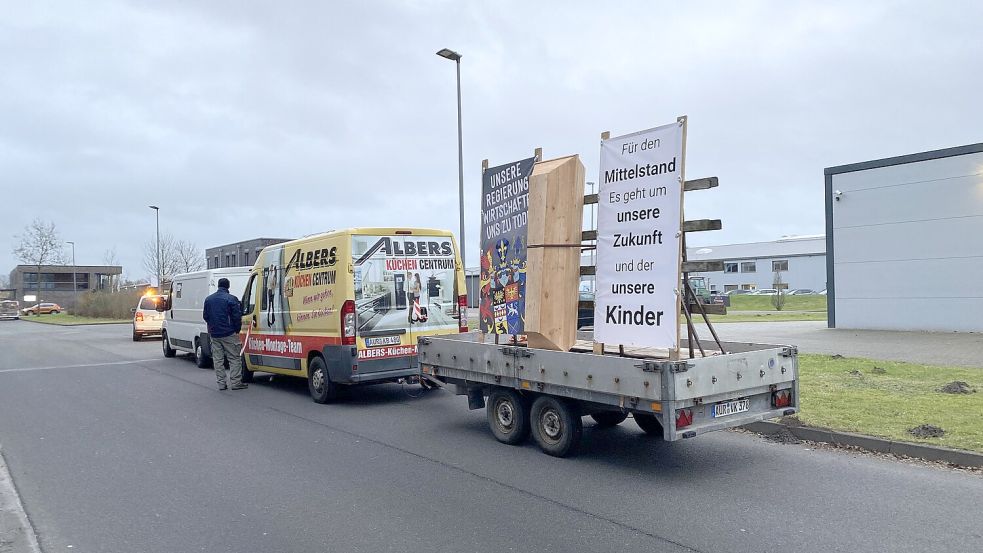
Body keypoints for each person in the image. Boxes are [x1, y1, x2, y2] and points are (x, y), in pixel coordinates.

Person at [202, 277, 246, 390]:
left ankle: (221, 383)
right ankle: (236, 382)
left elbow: (205, 316)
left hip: (214, 334)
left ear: (218, 285)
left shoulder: (209, 299)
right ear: (228, 286)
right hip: (229, 333)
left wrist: (212, 327)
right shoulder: (231, 299)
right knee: (234, 358)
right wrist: (236, 330)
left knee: (218, 360)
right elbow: (237, 317)